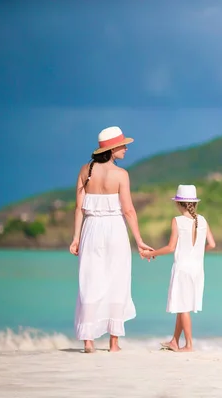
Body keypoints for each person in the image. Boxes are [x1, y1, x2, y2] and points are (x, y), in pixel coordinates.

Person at [69, 126, 153, 353]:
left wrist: (76, 238)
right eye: (123, 145)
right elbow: (129, 211)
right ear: (112, 149)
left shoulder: (85, 170)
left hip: (91, 229)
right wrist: (139, 240)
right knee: (117, 280)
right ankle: (114, 343)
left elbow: (79, 208)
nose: (126, 149)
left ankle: (88, 341)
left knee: (90, 282)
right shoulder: (121, 175)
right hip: (115, 229)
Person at [141, 184, 216, 352]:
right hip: (197, 269)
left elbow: (170, 247)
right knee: (183, 306)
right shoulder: (202, 220)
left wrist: (150, 253)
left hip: (183, 269)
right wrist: (198, 253)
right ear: (194, 203)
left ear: (178, 204)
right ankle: (174, 341)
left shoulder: (177, 221)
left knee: (183, 307)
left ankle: (189, 344)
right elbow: (212, 244)